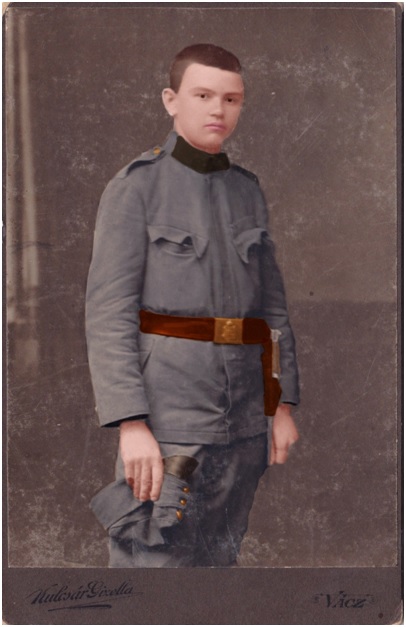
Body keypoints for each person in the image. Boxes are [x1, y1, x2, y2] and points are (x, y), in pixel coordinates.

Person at [86, 43, 300, 568]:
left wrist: (281, 405)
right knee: (153, 571)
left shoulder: (247, 191)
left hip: (244, 421)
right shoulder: (136, 188)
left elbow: (272, 315)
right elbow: (109, 314)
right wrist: (131, 424)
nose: (217, 110)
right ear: (171, 100)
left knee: (219, 574)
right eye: (202, 95)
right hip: (170, 420)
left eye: (231, 99)